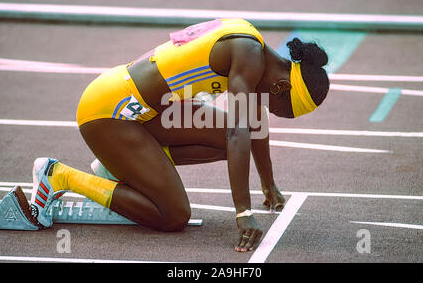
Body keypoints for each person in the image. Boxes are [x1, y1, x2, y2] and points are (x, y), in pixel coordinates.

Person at [29, 18, 329, 252]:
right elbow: (240, 132)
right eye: (278, 108)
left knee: (235, 133)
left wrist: (269, 183)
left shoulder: (254, 44)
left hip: (144, 106)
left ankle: (122, 165)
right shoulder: (248, 56)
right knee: (173, 216)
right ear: (280, 87)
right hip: (110, 112)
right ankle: (60, 176)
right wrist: (243, 212)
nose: (266, 107)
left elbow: (254, 121)